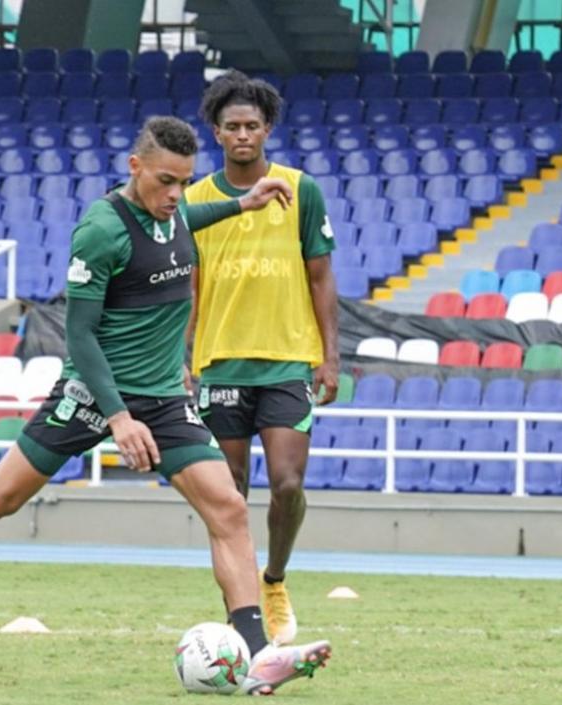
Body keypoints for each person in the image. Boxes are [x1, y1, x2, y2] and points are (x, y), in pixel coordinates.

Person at [0, 116, 331, 694]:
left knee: (228, 508)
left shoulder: (175, 214)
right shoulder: (101, 230)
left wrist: (243, 202)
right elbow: (81, 337)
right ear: (135, 167)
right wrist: (118, 417)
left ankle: (257, 652)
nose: (176, 195)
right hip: (93, 395)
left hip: (165, 398)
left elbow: (188, 218)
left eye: (184, 182)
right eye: (166, 181)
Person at [184, 70, 338, 646]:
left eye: (252, 125)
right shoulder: (195, 201)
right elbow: (189, 288)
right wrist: (184, 356)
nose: (243, 135)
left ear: (267, 128)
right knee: (228, 494)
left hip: (287, 362)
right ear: (217, 133)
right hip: (220, 363)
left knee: (288, 484)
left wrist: (331, 357)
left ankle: (273, 579)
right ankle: (242, 611)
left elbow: (321, 278)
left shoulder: (302, 188)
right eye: (232, 127)